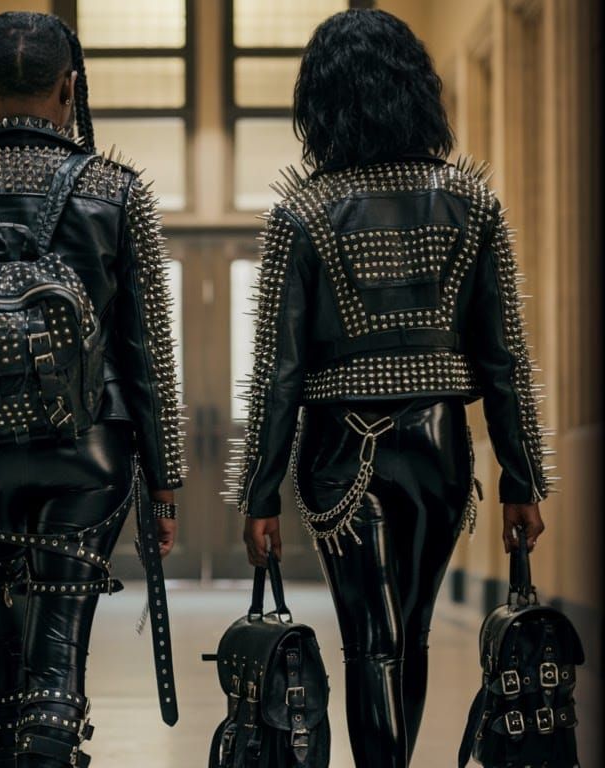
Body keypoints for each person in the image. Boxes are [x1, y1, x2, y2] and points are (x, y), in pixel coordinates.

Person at [227, 9, 552, 767]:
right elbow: (503, 360)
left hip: (340, 449)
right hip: (440, 446)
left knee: (370, 641)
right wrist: (521, 479)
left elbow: (278, 373)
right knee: (413, 632)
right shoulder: (473, 203)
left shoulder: (302, 212)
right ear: (417, 89)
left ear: (320, 100)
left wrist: (259, 493)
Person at [0, 11, 184, 766]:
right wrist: (164, 484)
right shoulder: (117, 190)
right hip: (88, 455)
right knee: (57, 662)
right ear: (69, 89)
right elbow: (147, 356)